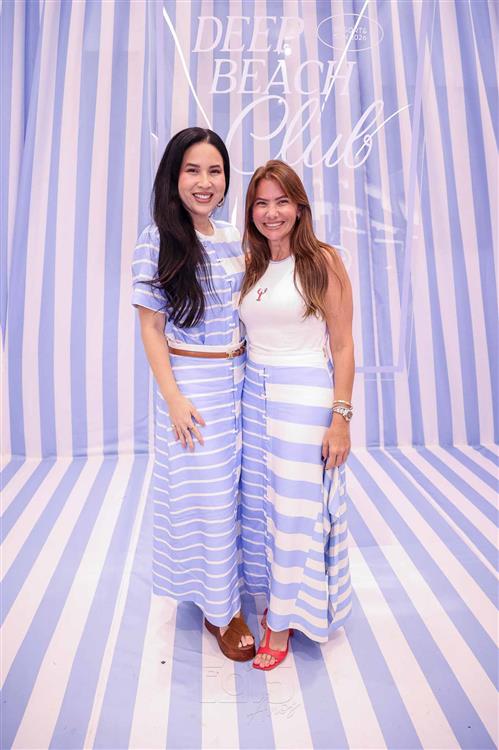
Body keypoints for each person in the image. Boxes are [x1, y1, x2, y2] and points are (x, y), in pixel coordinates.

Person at [131, 127, 254, 661]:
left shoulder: (230, 235)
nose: (205, 182)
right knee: (207, 499)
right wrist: (174, 399)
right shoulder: (156, 239)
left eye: (215, 171)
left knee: (238, 494)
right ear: (173, 176)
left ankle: (225, 585)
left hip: (241, 380)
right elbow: (151, 328)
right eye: (193, 170)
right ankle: (221, 612)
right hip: (193, 386)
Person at [239, 160, 353, 670]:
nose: (272, 213)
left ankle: (282, 622)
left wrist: (340, 420)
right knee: (260, 507)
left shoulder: (323, 260)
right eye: (261, 203)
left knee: (295, 512)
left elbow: (343, 346)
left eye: (282, 201)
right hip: (253, 397)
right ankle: (272, 599)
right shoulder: (253, 262)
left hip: (303, 396)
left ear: (300, 207)